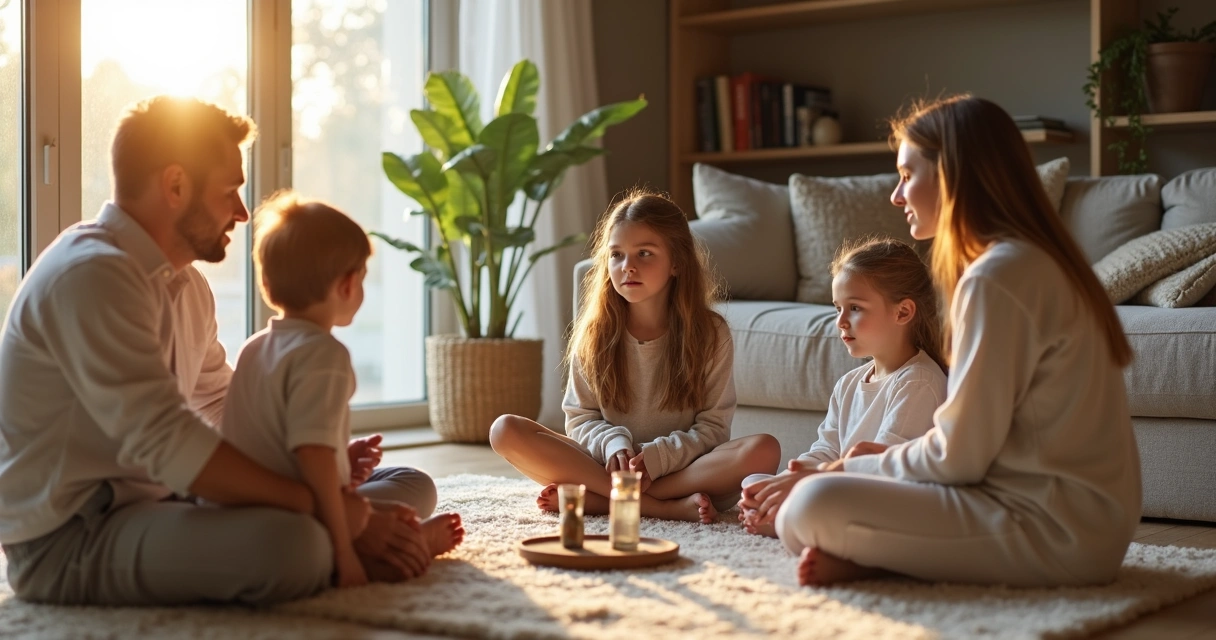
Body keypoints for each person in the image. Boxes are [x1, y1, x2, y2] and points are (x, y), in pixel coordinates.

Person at [0, 96, 431, 606]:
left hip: (166, 500)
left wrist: (323, 464)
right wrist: (324, 505)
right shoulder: (93, 274)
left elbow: (223, 407)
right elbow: (169, 441)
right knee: (300, 547)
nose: (244, 213)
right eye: (230, 192)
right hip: (74, 536)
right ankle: (346, 547)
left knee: (409, 485)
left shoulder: (186, 286)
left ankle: (351, 539)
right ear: (176, 185)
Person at [775, 95, 1141, 588]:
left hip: (1054, 531)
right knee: (811, 496)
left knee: (805, 508)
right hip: (1087, 526)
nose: (896, 196)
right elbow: (974, 450)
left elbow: (958, 457)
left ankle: (884, 560)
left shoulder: (998, 276)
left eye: (907, 175)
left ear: (950, 173)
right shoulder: (1029, 261)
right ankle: (880, 559)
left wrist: (851, 466)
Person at [488, 189, 780, 524]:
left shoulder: (710, 334)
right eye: (616, 255)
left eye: (644, 253)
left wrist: (657, 458)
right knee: (504, 429)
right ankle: (655, 507)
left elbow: (713, 428)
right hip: (607, 464)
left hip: (680, 473)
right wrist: (614, 444)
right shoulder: (595, 331)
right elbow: (580, 418)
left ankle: (606, 500)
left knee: (764, 449)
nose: (627, 267)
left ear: (677, 263)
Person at [220, 190, 464, 588]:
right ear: (348, 285)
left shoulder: (255, 345)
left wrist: (342, 462)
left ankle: (372, 530)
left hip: (247, 508)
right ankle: (407, 542)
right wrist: (347, 552)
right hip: (296, 514)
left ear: (265, 282)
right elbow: (312, 456)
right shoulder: (324, 355)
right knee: (417, 489)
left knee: (407, 478)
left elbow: (283, 444)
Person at [737, 238, 947, 537]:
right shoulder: (849, 383)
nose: (841, 321)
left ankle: (786, 517)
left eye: (855, 308)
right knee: (755, 481)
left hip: (881, 494)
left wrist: (800, 484)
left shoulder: (919, 381)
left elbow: (885, 467)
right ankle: (779, 512)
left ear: (902, 312)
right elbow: (826, 449)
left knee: (809, 503)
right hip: (838, 483)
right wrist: (787, 477)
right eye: (837, 308)